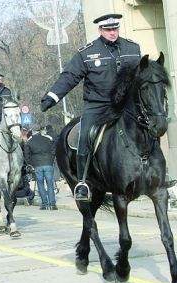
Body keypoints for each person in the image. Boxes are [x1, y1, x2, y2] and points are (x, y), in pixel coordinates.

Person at [40, 13, 141, 202]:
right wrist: (52, 97)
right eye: (108, 29)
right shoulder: (87, 53)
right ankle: (83, 182)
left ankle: (155, 173)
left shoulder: (132, 48)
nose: (112, 33)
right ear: (100, 30)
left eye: (115, 28)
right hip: (98, 107)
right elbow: (69, 77)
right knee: (84, 136)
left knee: (147, 127)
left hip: (126, 107)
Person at [25, 126, 57, 209]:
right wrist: (51, 159)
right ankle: (52, 204)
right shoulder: (48, 139)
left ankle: (44, 204)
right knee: (50, 184)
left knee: (40, 184)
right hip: (48, 164)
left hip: (37, 165)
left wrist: (30, 164)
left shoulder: (29, 141)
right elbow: (54, 149)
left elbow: (27, 155)